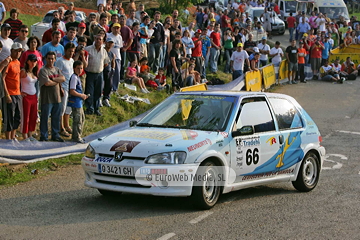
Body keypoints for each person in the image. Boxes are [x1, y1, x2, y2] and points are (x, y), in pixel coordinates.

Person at [84, 35, 110, 116]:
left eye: (100, 39)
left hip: (99, 74)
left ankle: (96, 108)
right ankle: (89, 108)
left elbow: (106, 63)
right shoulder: (88, 49)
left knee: (98, 92)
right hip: (89, 73)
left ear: (102, 41)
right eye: (97, 39)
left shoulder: (104, 51)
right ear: (94, 39)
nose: (98, 41)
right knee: (89, 92)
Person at [2, 42, 22, 140]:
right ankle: (8, 139)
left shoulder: (18, 62)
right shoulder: (8, 62)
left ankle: (13, 136)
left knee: (17, 117)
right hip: (10, 93)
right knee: (9, 117)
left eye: (19, 51)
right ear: (11, 51)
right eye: (16, 51)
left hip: (17, 93)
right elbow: (3, 78)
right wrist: (6, 94)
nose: (18, 53)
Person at [55, 42, 75, 138]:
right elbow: (57, 75)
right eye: (69, 51)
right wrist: (60, 87)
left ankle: (67, 125)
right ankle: (61, 127)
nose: (71, 53)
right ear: (65, 51)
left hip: (70, 87)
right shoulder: (60, 61)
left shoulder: (71, 60)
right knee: (62, 109)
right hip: (63, 87)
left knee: (68, 109)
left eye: (73, 51)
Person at [20, 54, 38, 141]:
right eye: (32, 61)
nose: (33, 63)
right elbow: (17, 81)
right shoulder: (23, 71)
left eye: (35, 61)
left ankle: (30, 134)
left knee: (33, 116)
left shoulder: (33, 72)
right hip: (26, 96)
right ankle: (24, 135)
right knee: (25, 116)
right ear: (28, 61)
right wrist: (20, 92)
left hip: (33, 96)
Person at [106, 22, 123, 92]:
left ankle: (115, 88)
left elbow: (120, 46)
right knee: (109, 72)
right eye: (115, 28)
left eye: (118, 28)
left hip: (117, 57)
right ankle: (108, 87)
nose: (116, 29)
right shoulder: (108, 35)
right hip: (108, 56)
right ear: (112, 28)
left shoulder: (120, 37)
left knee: (117, 72)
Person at [119, 15, 133, 80]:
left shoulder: (127, 29)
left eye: (123, 19)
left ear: (125, 20)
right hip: (116, 48)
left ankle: (121, 77)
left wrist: (126, 48)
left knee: (122, 64)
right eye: (121, 19)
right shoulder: (116, 27)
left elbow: (131, 40)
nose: (122, 20)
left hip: (123, 49)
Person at [102, 37, 115, 107]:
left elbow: (113, 61)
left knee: (109, 85)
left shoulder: (111, 53)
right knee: (101, 85)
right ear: (106, 42)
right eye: (109, 42)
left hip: (109, 71)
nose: (110, 44)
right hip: (101, 70)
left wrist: (113, 69)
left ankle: (106, 98)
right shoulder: (102, 51)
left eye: (111, 43)